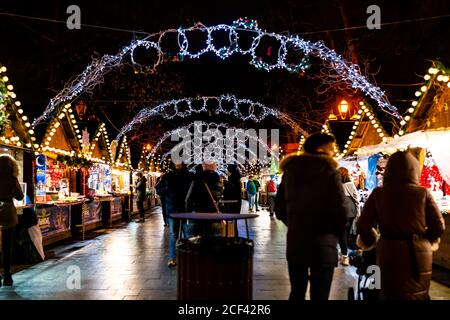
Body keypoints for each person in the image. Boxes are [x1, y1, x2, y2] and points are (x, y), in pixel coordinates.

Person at [357, 151, 445, 300]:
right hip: (418, 254)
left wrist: (370, 240)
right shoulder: (422, 193)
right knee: (417, 295)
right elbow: (438, 226)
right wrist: (423, 240)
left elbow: (363, 224)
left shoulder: (379, 193)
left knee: (389, 293)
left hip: (388, 250)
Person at [275, 133, 347, 301]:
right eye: (331, 148)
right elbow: (340, 209)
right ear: (321, 149)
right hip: (324, 242)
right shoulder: (329, 171)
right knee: (320, 295)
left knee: (297, 292)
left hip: (296, 240)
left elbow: (279, 207)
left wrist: (295, 223)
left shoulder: (290, 171)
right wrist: (335, 232)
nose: (334, 152)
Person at [0, 154, 24, 287]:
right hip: (8, 212)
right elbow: (20, 196)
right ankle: (7, 276)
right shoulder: (12, 178)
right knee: (7, 245)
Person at [164, 162, 194, 267]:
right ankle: (173, 258)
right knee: (173, 235)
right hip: (173, 210)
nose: (177, 163)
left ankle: (189, 257)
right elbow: (159, 188)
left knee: (188, 235)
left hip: (186, 210)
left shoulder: (190, 176)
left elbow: (194, 191)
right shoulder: (169, 176)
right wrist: (168, 192)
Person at [185, 161, 223, 237]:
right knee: (214, 244)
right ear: (213, 167)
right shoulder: (218, 181)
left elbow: (188, 199)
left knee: (196, 243)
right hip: (214, 216)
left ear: (204, 166)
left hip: (197, 215)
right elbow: (219, 198)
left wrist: (188, 212)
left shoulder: (196, 180)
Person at [337, 167, 360, 266]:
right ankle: (344, 253)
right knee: (346, 232)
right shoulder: (350, 184)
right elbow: (356, 198)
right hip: (350, 211)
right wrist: (358, 212)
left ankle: (344, 255)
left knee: (342, 233)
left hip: (340, 210)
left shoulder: (336, 184)